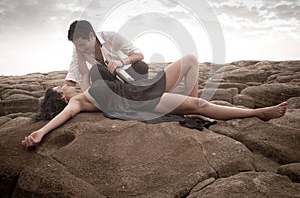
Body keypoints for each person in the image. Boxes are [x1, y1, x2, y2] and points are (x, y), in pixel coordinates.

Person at [22, 55, 287, 148]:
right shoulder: (77, 101)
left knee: (191, 60)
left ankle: (191, 105)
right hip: (140, 102)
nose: (63, 85)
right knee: (203, 107)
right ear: (59, 96)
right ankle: (258, 112)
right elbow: (63, 117)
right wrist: (41, 132)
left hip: (141, 88)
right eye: (59, 87)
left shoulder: (87, 87)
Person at [65, 20, 149, 91]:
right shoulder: (78, 50)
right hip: (110, 82)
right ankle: (128, 91)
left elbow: (139, 55)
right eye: (77, 46)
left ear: (91, 36)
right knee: (96, 71)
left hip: (126, 74)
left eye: (82, 45)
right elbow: (72, 75)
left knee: (141, 66)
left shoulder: (111, 37)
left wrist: (121, 62)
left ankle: (128, 91)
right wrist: (65, 90)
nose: (80, 49)